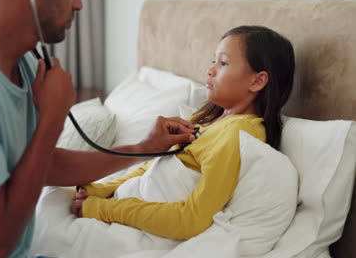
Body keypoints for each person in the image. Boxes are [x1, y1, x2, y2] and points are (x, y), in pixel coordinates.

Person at [0, 0, 197, 257]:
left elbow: (41, 164)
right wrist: (51, 118)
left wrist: (142, 149)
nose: (79, 4)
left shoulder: (20, 63)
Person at [71, 25, 295, 240]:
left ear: (257, 81)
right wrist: (102, 189)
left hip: (147, 226)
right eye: (213, 61)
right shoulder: (206, 121)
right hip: (127, 200)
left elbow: (192, 220)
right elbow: (153, 168)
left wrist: (105, 209)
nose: (210, 69)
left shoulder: (239, 133)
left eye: (223, 63)